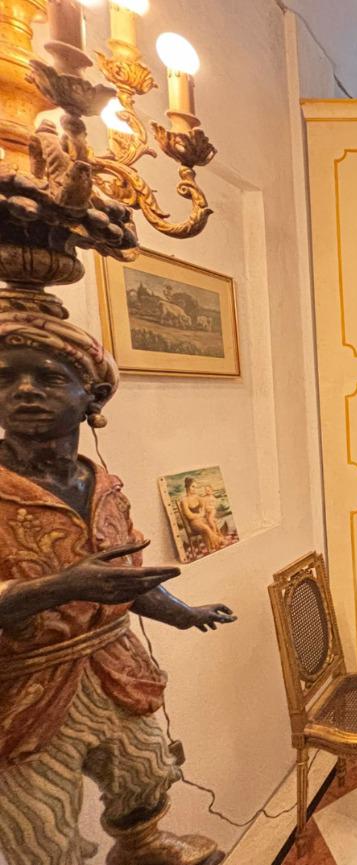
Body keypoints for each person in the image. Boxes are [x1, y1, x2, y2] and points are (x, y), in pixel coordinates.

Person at [0, 310, 235, 865]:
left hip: (114, 666)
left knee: (145, 768)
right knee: (39, 822)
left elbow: (124, 581)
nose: (25, 391)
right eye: (7, 377)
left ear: (91, 398)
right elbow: (84, 585)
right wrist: (63, 587)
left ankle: (143, 848)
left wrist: (183, 613)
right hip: (25, 688)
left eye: (48, 377)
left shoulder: (103, 485)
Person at [179, 475, 221, 554]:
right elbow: (189, 516)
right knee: (206, 527)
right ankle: (218, 540)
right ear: (187, 487)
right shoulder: (184, 500)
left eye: (196, 487)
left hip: (201, 520)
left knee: (211, 523)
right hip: (193, 523)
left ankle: (212, 547)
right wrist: (200, 515)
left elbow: (204, 507)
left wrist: (207, 509)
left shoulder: (197, 497)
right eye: (193, 487)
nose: (195, 489)